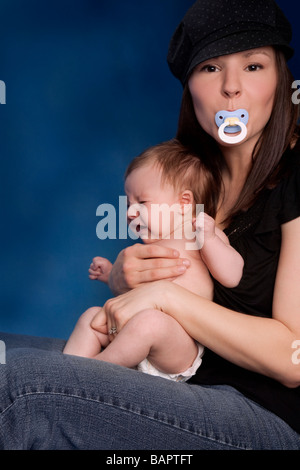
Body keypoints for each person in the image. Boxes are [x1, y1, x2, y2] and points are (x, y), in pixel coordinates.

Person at [1, 0, 300, 450]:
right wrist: (125, 272)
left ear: (280, 78)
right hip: (173, 376)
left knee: (22, 387)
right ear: (190, 88)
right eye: (211, 69)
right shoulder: (191, 174)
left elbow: (293, 357)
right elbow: (155, 264)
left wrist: (163, 295)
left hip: (261, 413)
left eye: (254, 65)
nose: (232, 88)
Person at [63, 140, 244, 382]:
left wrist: (210, 239)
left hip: (177, 342)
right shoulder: (152, 246)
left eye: (142, 202)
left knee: (150, 323)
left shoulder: (197, 233)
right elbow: (136, 287)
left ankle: (90, 373)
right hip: (129, 331)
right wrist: (110, 275)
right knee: (91, 317)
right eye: (128, 204)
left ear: (184, 203)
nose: (129, 212)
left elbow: (232, 276)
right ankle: (64, 372)